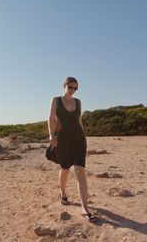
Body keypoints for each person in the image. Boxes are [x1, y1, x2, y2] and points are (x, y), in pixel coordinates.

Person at [48, 77, 96, 222]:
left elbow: (79, 120)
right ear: (64, 85)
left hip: (78, 139)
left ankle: (84, 208)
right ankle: (62, 192)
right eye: (70, 87)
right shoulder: (56, 100)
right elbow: (50, 118)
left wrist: (84, 138)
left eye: (75, 88)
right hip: (62, 140)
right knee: (65, 169)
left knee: (80, 170)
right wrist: (51, 135)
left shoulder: (78, 102)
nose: (72, 90)